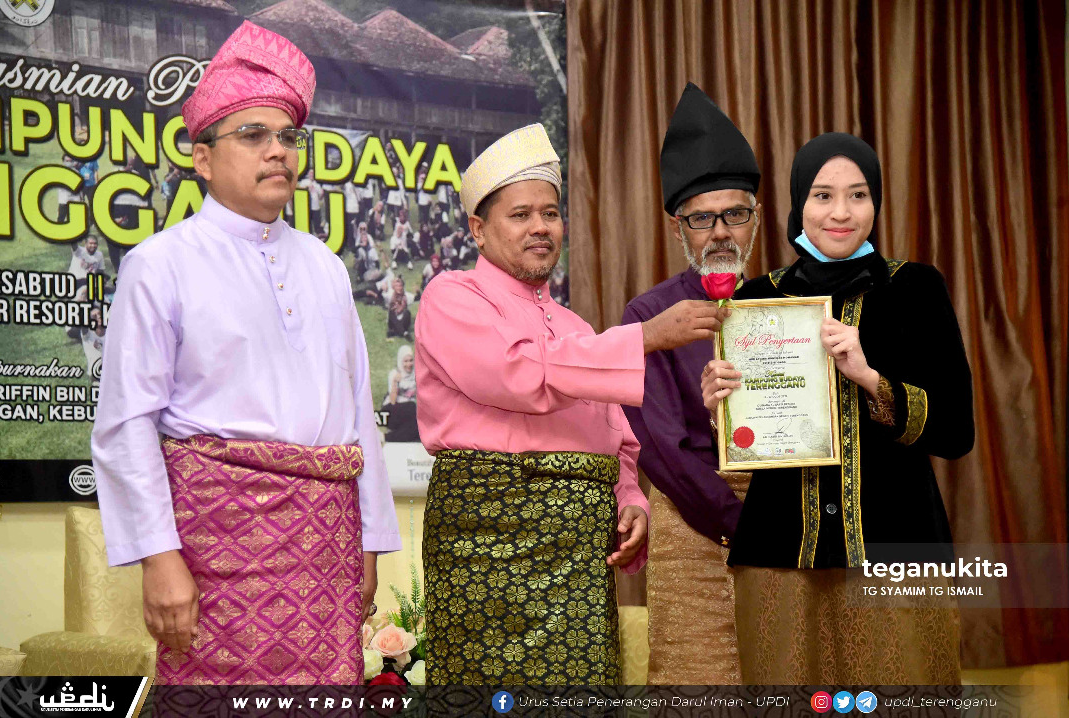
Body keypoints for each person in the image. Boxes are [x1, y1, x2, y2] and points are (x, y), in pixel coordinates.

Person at [91, 20, 400, 686]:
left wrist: (372, 539)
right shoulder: (160, 265)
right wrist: (158, 556)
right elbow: (125, 425)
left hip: (326, 548)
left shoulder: (327, 268)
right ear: (202, 158)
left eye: (289, 136)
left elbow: (357, 417)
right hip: (213, 551)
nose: (279, 153)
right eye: (253, 135)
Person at [415, 123, 729, 685]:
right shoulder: (450, 296)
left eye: (551, 213)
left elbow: (620, 439)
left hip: (579, 559)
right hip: (489, 544)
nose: (540, 227)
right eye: (520, 215)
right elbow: (516, 374)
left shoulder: (574, 326)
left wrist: (630, 497)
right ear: (478, 229)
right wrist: (646, 337)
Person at [703, 132, 974, 683]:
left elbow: (956, 431)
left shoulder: (915, 288)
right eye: (823, 196)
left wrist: (870, 379)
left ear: (876, 202)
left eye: (858, 195)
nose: (842, 213)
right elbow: (753, 446)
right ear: (799, 203)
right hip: (779, 558)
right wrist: (722, 410)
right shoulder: (755, 299)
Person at [621, 82, 760, 685]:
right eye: (702, 218)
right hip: (693, 535)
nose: (720, 233)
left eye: (735, 213)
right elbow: (664, 449)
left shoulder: (790, 305)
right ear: (678, 226)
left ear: (755, 218)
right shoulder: (647, 317)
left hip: (785, 533)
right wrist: (741, 522)